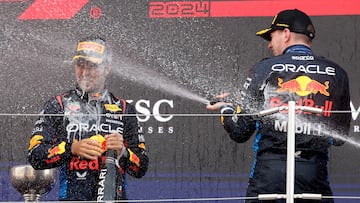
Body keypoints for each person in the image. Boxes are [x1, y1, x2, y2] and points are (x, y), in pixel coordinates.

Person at [207, 9, 351, 203]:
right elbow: (340, 137)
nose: (269, 45)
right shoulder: (336, 73)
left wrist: (226, 108)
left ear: (286, 34)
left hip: (270, 174)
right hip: (314, 174)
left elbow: (240, 131)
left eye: (271, 36)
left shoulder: (264, 68)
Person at [27, 36, 149, 201]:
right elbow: (35, 156)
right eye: (80, 65)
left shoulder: (125, 109)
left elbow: (141, 167)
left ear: (106, 68)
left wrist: (123, 152)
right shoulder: (58, 105)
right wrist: (72, 148)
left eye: (92, 66)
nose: (85, 73)